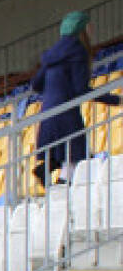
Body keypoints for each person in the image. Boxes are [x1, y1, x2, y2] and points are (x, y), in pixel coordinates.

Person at [29, 10, 119, 185]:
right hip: (65, 112)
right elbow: (80, 89)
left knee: (65, 153)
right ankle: (61, 187)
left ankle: (45, 171)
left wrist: (55, 88)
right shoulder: (78, 51)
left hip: (48, 111)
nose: (92, 29)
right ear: (82, 29)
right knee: (75, 154)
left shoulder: (52, 54)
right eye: (89, 25)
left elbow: (36, 85)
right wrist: (115, 100)